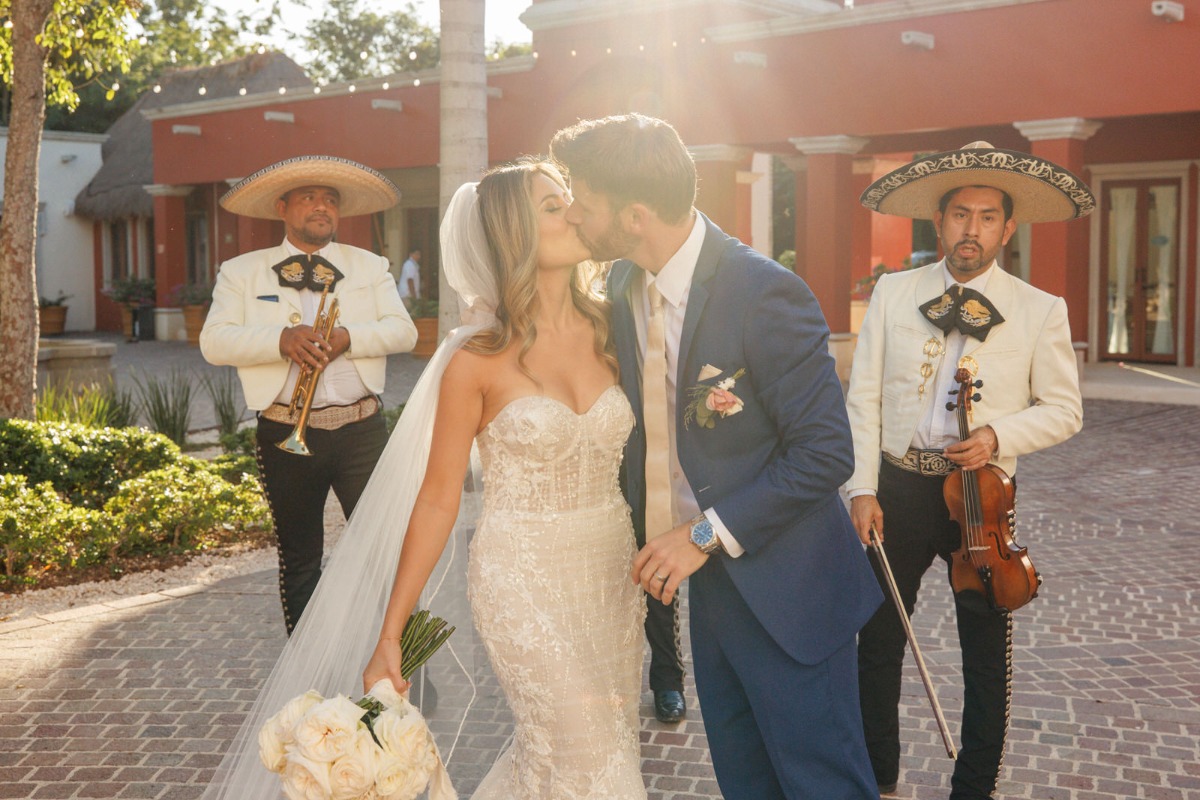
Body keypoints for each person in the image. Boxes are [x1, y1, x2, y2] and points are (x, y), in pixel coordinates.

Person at [202, 159, 648, 800]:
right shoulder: (476, 359)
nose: (575, 212)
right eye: (554, 207)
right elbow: (439, 499)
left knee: (580, 754)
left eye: (569, 199)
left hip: (610, 573)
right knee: (588, 756)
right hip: (520, 578)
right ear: (513, 232)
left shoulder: (617, 328)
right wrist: (391, 635)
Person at [551, 113, 883, 800]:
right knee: (745, 782)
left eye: (583, 197)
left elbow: (825, 452)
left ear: (635, 215)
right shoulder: (621, 286)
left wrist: (703, 535)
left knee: (822, 786)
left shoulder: (765, 293)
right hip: (713, 597)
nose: (576, 213)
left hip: (792, 593)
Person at [848, 142, 1091, 798]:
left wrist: (996, 433)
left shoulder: (1040, 309)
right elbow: (862, 398)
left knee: (985, 652)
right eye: (960, 214)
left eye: (987, 217)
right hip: (897, 487)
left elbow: (1065, 411)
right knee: (875, 645)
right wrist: (862, 488)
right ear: (940, 221)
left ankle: (974, 787)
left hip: (980, 501)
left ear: (1007, 229)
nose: (972, 229)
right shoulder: (895, 293)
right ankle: (878, 780)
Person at [200, 155, 417, 634]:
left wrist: (348, 337)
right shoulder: (241, 272)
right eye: (309, 198)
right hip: (284, 431)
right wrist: (280, 340)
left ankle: (408, 675)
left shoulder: (369, 265)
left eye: (330, 200)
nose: (322, 207)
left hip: (362, 431)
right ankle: (308, 683)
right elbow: (213, 342)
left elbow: (404, 332)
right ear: (283, 207)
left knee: (388, 554)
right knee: (300, 561)